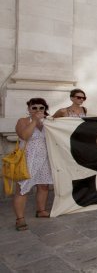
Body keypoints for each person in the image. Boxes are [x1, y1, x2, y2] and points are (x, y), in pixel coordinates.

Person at [13, 98, 53, 230]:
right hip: (27, 159)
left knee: (43, 186)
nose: (37, 110)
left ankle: (41, 210)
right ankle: (20, 219)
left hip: (44, 159)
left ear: (45, 109)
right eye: (34, 108)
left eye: (41, 108)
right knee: (22, 189)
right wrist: (35, 121)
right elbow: (24, 136)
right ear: (29, 109)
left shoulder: (48, 122)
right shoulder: (23, 121)